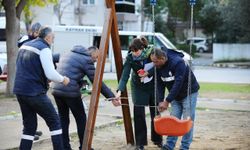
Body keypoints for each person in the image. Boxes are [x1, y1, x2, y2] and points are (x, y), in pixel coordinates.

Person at [51, 45, 119, 150]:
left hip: (56, 89)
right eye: (96, 57)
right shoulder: (87, 60)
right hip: (70, 92)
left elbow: (70, 72)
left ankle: (64, 147)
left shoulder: (68, 53)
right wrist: (111, 97)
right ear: (91, 54)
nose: (96, 60)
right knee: (81, 118)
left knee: (63, 119)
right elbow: (97, 82)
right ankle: (84, 146)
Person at [13, 26, 70, 150]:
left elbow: (28, 68)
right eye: (53, 38)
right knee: (55, 122)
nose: (53, 41)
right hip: (34, 92)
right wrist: (63, 79)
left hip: (20, 91)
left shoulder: (25, 46)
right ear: (48, 37)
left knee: (29, 127)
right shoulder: (44, 49)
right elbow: (50, 73)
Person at [115, 37, 162, 150]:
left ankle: (157, 139)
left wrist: (148, 73)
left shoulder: (153, 52)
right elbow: (125, 75)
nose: (134, 53)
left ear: (142, 48)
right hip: (138, 87)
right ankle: (140, 143)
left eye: (136, 51)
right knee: (139, 113)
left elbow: (159, 66)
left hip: (153, 85)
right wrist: (119, 91)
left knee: (155, 112)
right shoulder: (131, 57)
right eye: (132, 51)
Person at [149, 48, 200, 150]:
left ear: (163, 58)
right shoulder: (158, 66)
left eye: (156, 61)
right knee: (173, 120)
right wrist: (160, 101)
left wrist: (167, 101)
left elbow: (178, 82)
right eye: (152, 61)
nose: (154, 64)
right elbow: (159, 84)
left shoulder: (178, 62)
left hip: (189, 93)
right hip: (175, 95)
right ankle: (169, 145)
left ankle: (184, 147)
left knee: (187, 120)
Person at [17, 22, 44, 141]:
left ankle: (32, 129)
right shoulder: (26, 40)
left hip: (31, 80)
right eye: (37, 33)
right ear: (32, 31)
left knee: (32, 109)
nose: (38, 36)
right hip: (25, 79)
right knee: (27, 109)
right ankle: (28, 131)